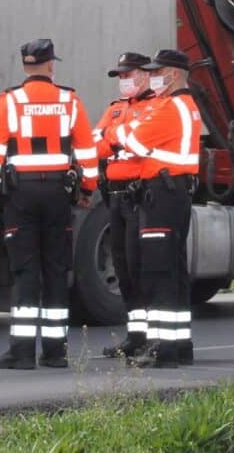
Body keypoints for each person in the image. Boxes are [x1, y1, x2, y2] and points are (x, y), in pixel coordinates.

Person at [0, 38, 98, 370]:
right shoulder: (69, 100)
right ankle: (56, 352)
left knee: (25, 271)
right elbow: (87, 151)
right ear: (50, 65)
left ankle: (22, 351)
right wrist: (87, 188)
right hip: (58, 194)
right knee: (57, 269)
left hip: (21, 196)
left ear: (24, 66)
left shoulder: (9, 100)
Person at [104, 49, 202, 368]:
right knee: (173, 270)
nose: (154, 77)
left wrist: (116, 133)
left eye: (157, 71)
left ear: (173, 74)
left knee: (158, 271)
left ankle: (162, 347)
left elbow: (133, 142)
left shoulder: (171, 107)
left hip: (162, 193)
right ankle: (178, 343)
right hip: (170, 192)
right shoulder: (183, 105)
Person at [93, 52, 157, 359]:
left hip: (139, 197)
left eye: (127, 75)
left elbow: (139, 144)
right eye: (120, 77)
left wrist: (114, 137)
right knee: (123, 269)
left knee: (139, 265)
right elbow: (97, 144)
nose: (123, 81)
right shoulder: (116, 109)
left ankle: (150, 337)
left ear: (145, 74)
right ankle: (135, 335)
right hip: (114, 197)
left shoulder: (155, 107)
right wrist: (117, 138)